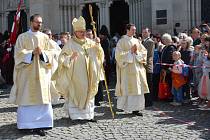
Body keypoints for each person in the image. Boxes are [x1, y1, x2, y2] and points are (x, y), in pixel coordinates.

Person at [8, 14, 55, 136]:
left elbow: (52, 53)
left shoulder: (45, 37)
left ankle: (41, 125)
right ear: (31, 22)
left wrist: (42, 53)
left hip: (42, 73)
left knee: (42, 99)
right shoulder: (22, 37)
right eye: (37, 22)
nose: (39, 24)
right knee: (27, 98)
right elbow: (18, 55)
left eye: (40, 22)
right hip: (27, 75)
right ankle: (26, 125)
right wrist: (31, 53)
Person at [52, 16, 104, 122]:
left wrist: (98, 46)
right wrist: (70, 58)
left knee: (89, 94)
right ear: (75, 32)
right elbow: (61, 59)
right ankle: (75, 116)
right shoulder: (70, 44)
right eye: (80, 31)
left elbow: (99, 56)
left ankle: (89, 116)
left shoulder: (90, 42)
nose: (83, 33)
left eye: (83, 31)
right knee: (75, 93)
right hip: (75, 75)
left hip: (89, 75)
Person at [115, 23, 149, 116]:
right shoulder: (122, 41)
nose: (134, 31)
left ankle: (136, 109)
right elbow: (118, 55)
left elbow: (144, 52)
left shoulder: (137, 41)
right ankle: (124, 107)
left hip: (137, 69)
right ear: (127, 30)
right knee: (127, 88)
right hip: (127, 70)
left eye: (135, 29)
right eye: (133, 29)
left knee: (138, 89)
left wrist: (137, 52)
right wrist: (130, 52)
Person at [142, 27, 155, 107]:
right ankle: (146, 100)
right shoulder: (143, 41)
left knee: (148, 84)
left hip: (147, 66)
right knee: (145, 84)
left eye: (145, 32)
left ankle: (149, 101)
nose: (144, 34)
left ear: (149, 33)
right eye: (143, 32)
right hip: (143, 66)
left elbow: (149, 54)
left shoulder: (150, 41)